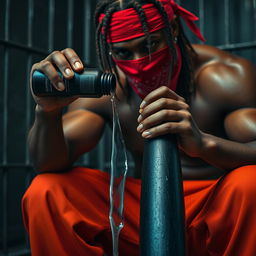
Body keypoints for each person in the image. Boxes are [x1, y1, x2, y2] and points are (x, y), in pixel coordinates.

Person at [22, 0, 256, 255]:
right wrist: (47, 112)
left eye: (149, 45)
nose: (140, 62)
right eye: (123, 53)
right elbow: (48, 163)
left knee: (251, 183)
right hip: (144, 215)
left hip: (216, 211)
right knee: (46, 191)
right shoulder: (111, 89)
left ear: (174, 29)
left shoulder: (223, 77)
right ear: (110, 51)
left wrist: (204, 144)